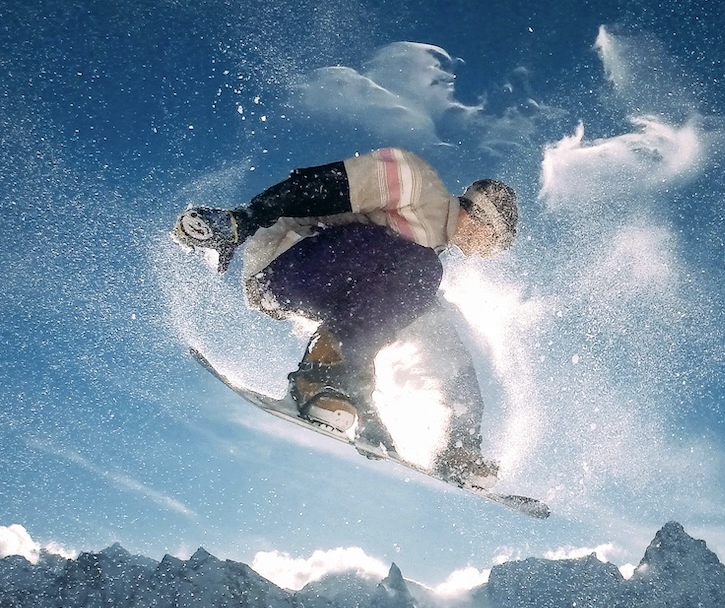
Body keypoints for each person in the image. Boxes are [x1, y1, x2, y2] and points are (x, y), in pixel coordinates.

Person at [172, 148, 517, 488]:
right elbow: (320, 185)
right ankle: (318, 378)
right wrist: (243, 220)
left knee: (442, 335)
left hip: (338, 281)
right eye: (496, 242)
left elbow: (399, 332)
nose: (490, 253)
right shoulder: (416, 181)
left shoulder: (426, 254)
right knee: (423, 271)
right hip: (284, 266)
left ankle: (458, 448)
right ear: (483, 218)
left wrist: (368, 409)